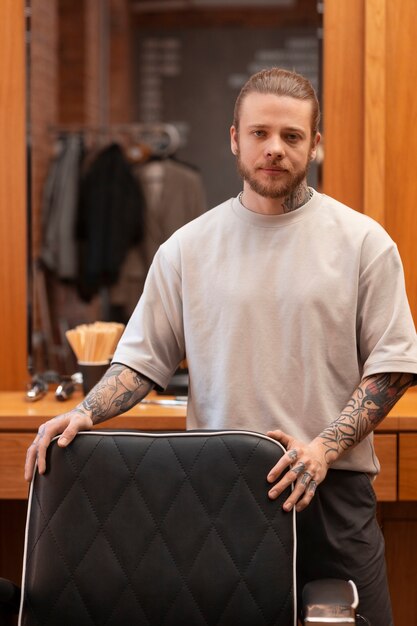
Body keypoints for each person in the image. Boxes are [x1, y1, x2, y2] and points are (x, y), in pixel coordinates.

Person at [25, 68, 417, 625]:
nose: (274, 149)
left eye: (291, 136)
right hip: (218, 491)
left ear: (315, 145)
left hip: (332, 491)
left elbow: (392, 367)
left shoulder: (363, 243)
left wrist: (322, 450)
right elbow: (142, 361)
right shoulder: (187, 248)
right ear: (235, 138)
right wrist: (86, 412)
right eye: (259, 133)